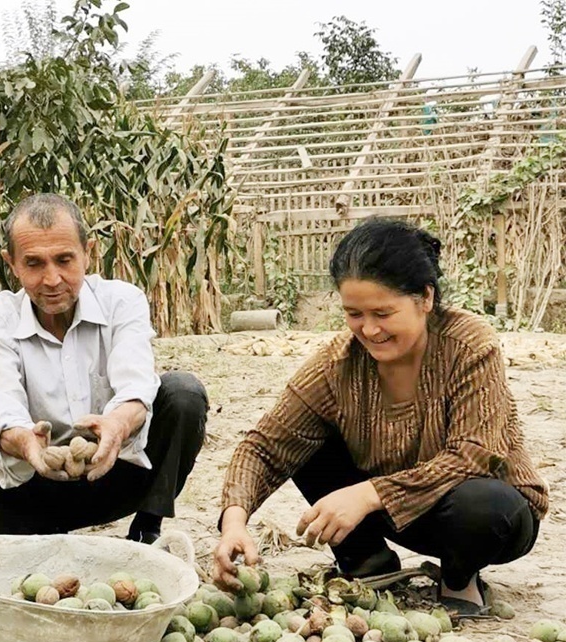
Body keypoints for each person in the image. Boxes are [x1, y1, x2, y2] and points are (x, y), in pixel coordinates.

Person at [214, 217, 548, 616]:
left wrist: (368, 494)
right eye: (354, 313)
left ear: (425, 298)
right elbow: (263, 446)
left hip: (477, 517)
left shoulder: (468, 344)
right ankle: (367, 562)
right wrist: (234, 523)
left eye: (383, 313)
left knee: (485, 503)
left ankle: (459, 579)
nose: (369, 330)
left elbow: (476, 454)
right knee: (305, 441)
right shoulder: (336, 364)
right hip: (391, 515)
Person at [0, 193, 208, 544]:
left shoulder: (121, 302)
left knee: (183, 393)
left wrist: (115, 426)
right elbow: (1, 406)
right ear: (11, 263)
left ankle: (147, 527)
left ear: (88, 252)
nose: (52, 280)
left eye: (65, 260)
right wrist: (27, 445)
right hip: (36, 484)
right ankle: (28, 541)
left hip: (116, 471)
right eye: (34, 264)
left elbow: (136, 386)